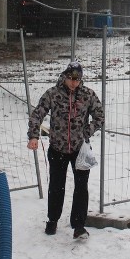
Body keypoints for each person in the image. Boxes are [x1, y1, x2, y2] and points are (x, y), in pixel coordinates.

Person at [27, 61, 104, 240]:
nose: (73, 83)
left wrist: (88, 131)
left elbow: (99, 116)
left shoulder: (87, 94)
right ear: (64, 76)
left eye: (77, 80)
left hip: (80, 149)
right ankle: (52, 220)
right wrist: (33, 136)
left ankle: (79, 226)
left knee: (81, 188)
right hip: (58, 148)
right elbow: (37, 114)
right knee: (56, 185)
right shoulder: (53, 94)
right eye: (70, 79)